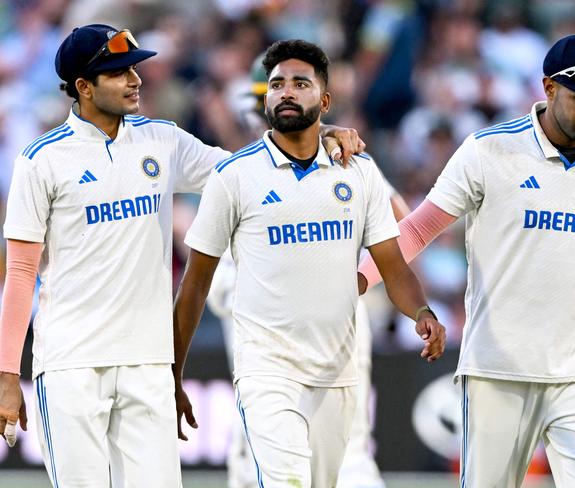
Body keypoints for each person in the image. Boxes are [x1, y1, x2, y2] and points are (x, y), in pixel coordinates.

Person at [0, 24, 363, 487]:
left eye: (133, 68)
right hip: (72, 362)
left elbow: (247, 168)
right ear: (84, 88)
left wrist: (318, 129)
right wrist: (8, 373)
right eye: (117, 73)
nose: (135, 80)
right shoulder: (41, 159)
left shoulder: (162, 140)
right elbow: (22, 270)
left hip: (150, 361)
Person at [359, 32, 575, 487]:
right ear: (549, 88)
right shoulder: (488, 150)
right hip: (499, 369)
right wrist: (354, 282)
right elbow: (417, 229)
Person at [172, 39, 446, 487]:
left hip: (337, 371)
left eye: (300, 84)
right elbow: (196, 283)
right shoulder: (235, 175)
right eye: (276, 84)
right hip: (267, 370)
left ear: (325, 100)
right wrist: (174, 372)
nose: (285, 92)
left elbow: (394, 261)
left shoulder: (357, 170)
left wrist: (421, 311)